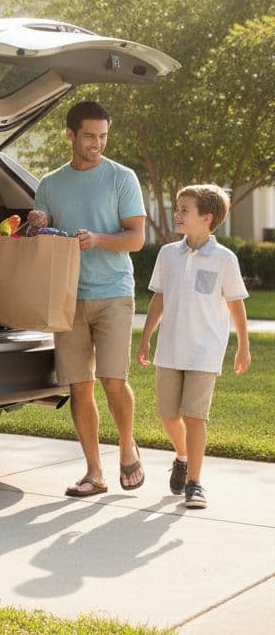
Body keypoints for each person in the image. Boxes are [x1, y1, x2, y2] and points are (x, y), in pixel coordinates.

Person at [27, 100, 147, 497]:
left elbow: (136, 238)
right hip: (68, 297)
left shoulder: (121, 178)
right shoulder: (51, 184)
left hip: (113, 292)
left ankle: (127, 445)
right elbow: (41, 238)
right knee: (80, 387)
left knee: (114, 381)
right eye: (90, 136)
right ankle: (94, 472)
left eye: (103, 136)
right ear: (71, 135)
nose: (97, 143)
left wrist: (98, 239)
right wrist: (39, 222)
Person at [136, 185, 250, 509]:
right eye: (178, 208)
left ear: (206, 217)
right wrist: (146, 337)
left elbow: (236, 304)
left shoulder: (224, 259)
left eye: (185, 209)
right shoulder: (168, 254)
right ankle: (182, 456)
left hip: (205, 350)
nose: (178, 214)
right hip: (170, 347)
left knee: (194, 416)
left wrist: (243, 346)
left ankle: (195, 483)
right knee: (168, 414)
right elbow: (159, 298)